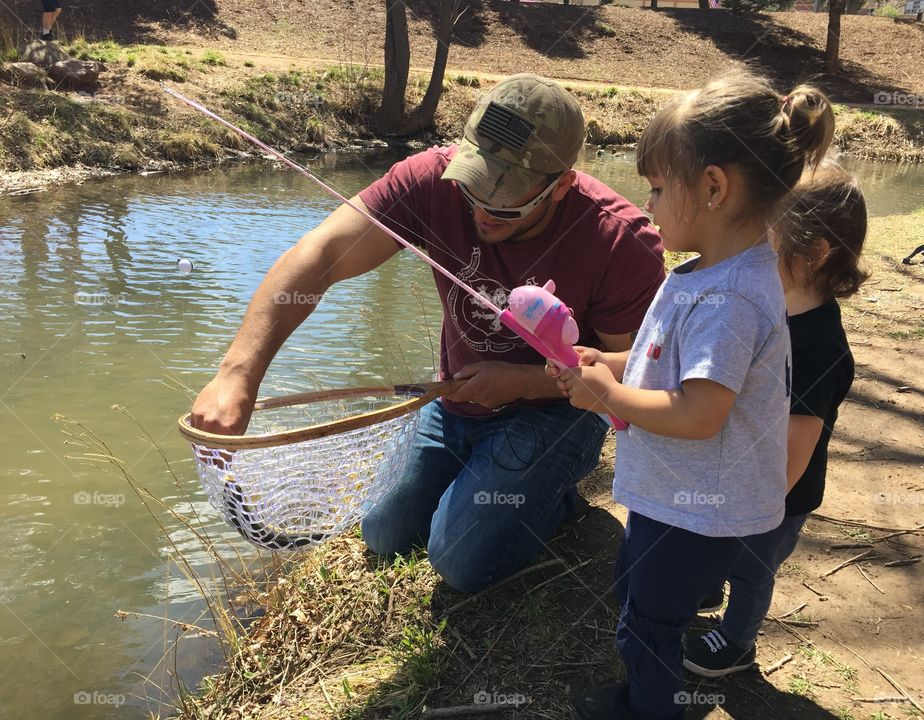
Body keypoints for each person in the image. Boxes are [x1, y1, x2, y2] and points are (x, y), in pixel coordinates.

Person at [190, 73, 665, 593]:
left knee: (459, 562)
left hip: (556, 413)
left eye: (504, 201)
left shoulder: (620, 242)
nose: (482, 210)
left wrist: (524, 382)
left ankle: (554, 495)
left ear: (561, 186)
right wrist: (237, 374)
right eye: (473, 186)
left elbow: (636, 373)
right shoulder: (429, 180)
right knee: (386, 535)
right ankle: (494, 486)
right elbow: (320, 254)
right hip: (456, 401)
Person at [547, 70, 835, 720]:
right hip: (680, 502)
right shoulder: (713, 273)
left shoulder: (729, 298)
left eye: (655, 187)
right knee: (639, 599)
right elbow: (669, 364)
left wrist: (607, 398)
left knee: (647, 626)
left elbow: (701, 412)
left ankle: (650, 710)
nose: (645, 203)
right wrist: (612, 362)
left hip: (694, 510)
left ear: (712, 186)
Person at [682, 165, 868, 678]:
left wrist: (753, 506)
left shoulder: (818, 347)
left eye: (764, 240)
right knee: (719, 547)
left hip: (776, 498)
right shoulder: (770, 308)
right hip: (739, 479)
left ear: (812, 254)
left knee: (751, 569)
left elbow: (796, 447)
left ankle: (738, 641)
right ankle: (706, 587)